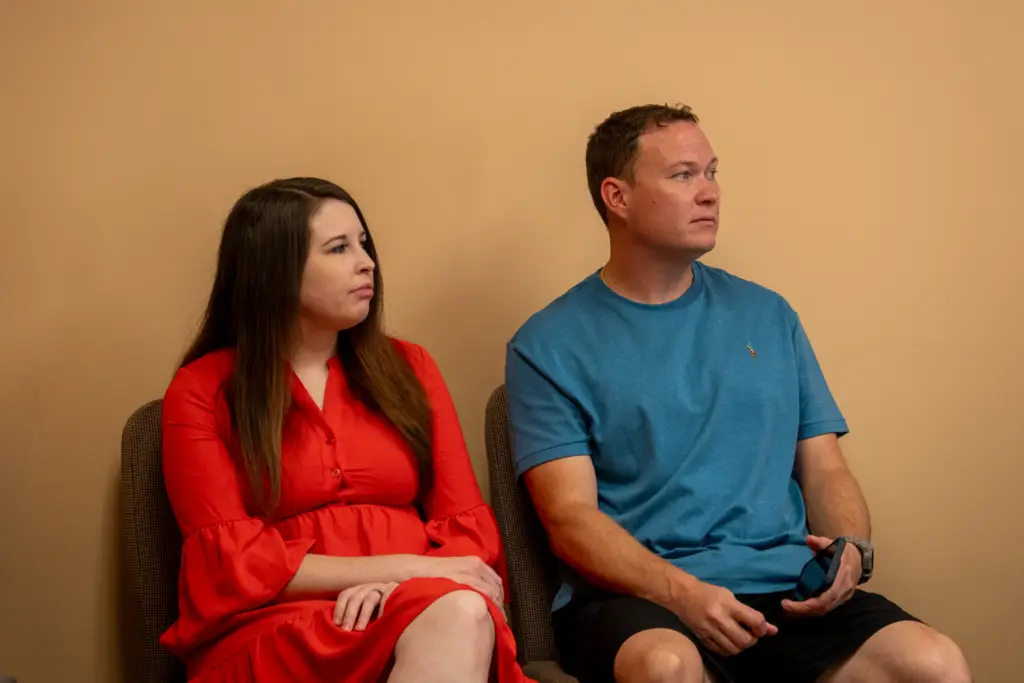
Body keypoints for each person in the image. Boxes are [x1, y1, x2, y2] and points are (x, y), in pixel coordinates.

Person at [504, 105, 973, 683]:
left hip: (787, 589)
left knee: (933, 663)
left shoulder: (769, 315)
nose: (710, 193)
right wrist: (684, 594)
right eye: (683, 175)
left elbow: (825, 467)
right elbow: (570, 518)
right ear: (617, 197)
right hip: (643, 598)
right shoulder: (548, 343)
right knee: (666, 668)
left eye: (712, 172)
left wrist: (851, 549)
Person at [160, 177, 532, 683]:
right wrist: (402, 571)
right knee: (453, 612)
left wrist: (400, 588)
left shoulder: (411, 367)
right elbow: (231, 565)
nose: (367, 262)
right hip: (275, 627)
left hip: (421, 607)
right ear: (275, 270)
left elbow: (465, 528)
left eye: (363, 243)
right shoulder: (201, 390)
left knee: (460, 612)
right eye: (339, 248)